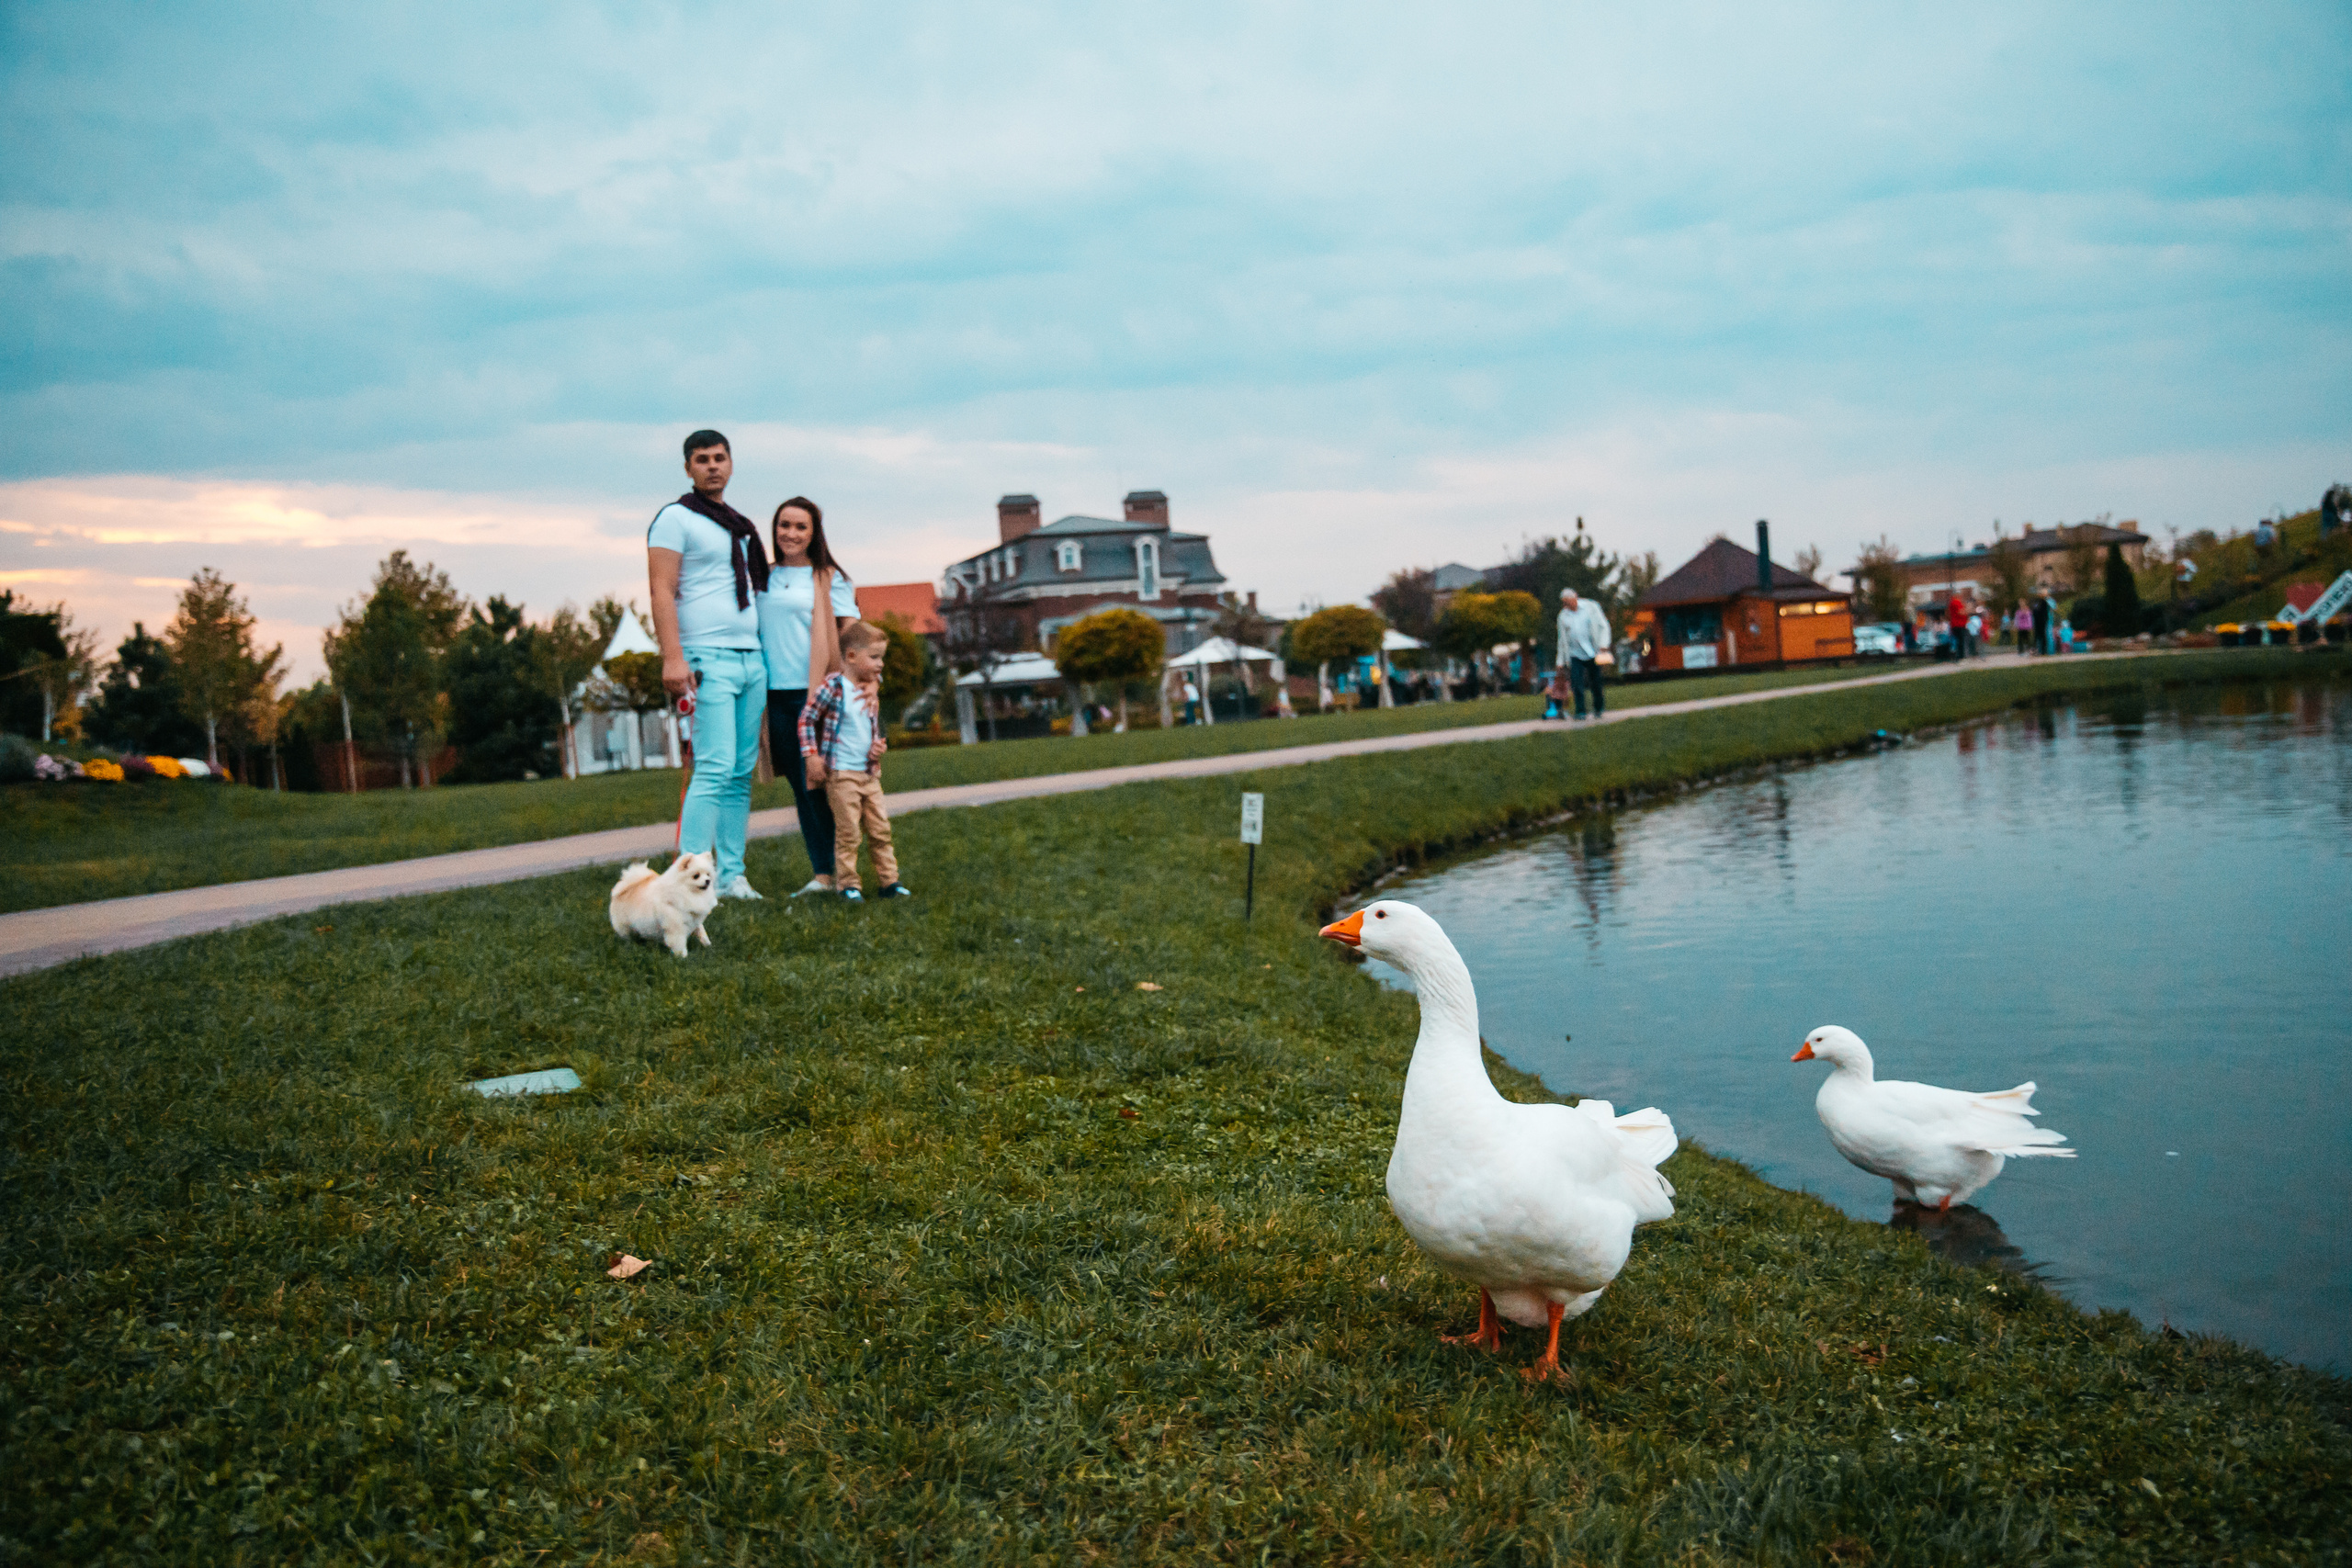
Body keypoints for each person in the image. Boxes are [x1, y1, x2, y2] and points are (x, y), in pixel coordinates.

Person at [648, 429, 768, 901]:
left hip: (751, 658)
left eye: (720, 458)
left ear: (731, 464)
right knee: (713, 768)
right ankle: (687, 881)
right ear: (688, 468)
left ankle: (732, 876)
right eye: (702, 459)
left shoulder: (737, 524)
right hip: (706, 658)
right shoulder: (675, 519)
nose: (713, 466)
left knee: (741, 771)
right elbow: (662, 589)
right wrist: (673, 657)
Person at [756, 496, 859, 897]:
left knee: (822, 784)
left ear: (814, 533)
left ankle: (838, 872)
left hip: (814, 695)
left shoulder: (829, 578)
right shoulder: (760, 577)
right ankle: (824, 872)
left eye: (800, 527)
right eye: (784, 525)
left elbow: (851, 632)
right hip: (774, 697)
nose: (791, 534)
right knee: (801, 787)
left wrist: (863, 683)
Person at [798, 621, 907, 902]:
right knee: (848, 833)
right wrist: (811, 755)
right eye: (874, 657)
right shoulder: (834, 687)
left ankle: (889, 882)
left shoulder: (869, 689)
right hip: (842, 775)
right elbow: (806, 719)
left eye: (881, 657)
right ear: (850, 656)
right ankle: (848, 885)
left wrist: (876, 747)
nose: (880, 664)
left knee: (881, 830)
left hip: (869, 775)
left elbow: (868, 729)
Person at [1556, 587, 1610, 719]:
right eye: (1564, 602)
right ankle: (1581, 711)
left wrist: (1603, 645)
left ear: (1574, 598)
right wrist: (1560, 661)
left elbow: (1603, 626)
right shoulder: (1563, 616)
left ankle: (1598, 708)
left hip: (1593, 651)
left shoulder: (1591, 607)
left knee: (1596, 681)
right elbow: (1562, 640)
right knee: (1576, 682)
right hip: (1575, 654)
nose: (1566, 605)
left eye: (1567, 601)